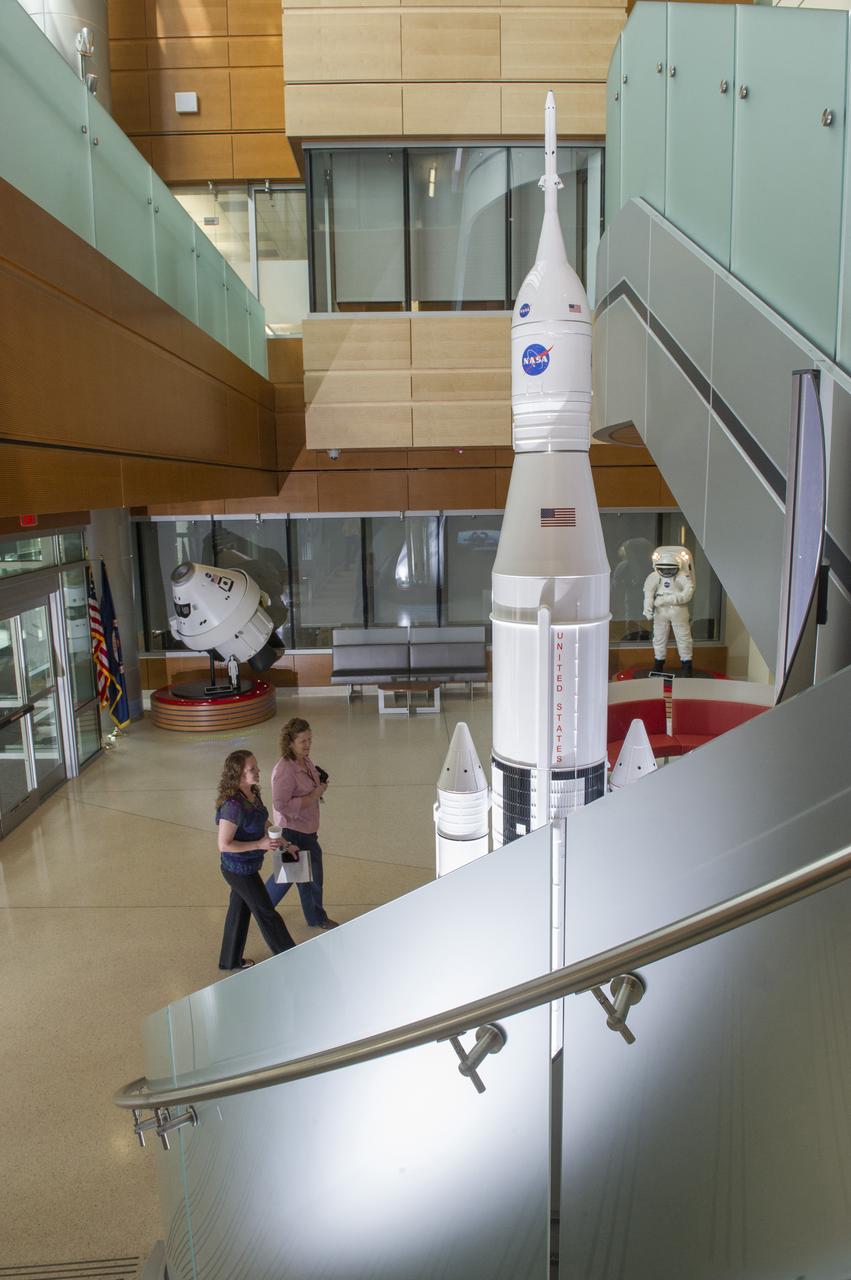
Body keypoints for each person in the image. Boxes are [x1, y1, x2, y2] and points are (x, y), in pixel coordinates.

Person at [215, 749, 299, 970]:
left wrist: (284, 843)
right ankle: (291, 959)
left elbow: (263, 821)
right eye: (252, 768)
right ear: (239, 775)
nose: (258, 770)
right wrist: (259, 845)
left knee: (239, 911)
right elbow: (224, 845)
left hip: (249, 865)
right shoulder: (232, 806)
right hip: (238, 870)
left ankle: (230, 960)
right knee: (266, 912)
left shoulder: (252, 793)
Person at [264, 718, 339, 930]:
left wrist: (319, 788)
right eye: (302, 741)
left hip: (307, 829)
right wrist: (313, 796)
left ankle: (260, 906)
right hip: (295, 832)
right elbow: (280, 805)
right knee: (310, 876)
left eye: (309, 739)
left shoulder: (304, 761)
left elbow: (311, 786)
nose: (307, 744)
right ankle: (317, 918)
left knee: (290, 876)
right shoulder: (284, 770)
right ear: (290, 742)